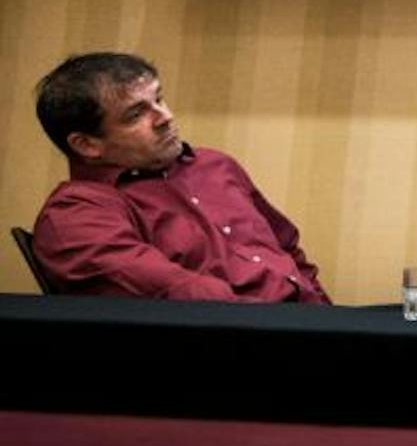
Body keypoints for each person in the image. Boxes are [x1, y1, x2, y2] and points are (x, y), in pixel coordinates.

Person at [30, 52, 330, 303]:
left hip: (311, 324)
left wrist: (323, 313)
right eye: (136, 114)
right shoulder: (77, 213)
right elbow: (178, 296)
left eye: (159, 99)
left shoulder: (215, 165)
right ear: (87, 144)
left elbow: (288, 250)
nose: (165, 117)